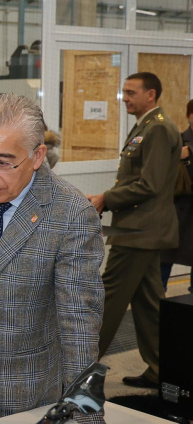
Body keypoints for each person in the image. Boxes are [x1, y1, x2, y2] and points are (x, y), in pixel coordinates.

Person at [0, 93, 152, 424]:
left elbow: (79, 325)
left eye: (4, 162)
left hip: (18, 390)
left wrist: (88, 417)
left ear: (38, 156)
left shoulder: (70, 214)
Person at [88, 72, 181, 389]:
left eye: (130, 92)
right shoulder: (147, 125)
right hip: (142, 229)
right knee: (149, 304)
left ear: (150, 95)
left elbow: (149, 184)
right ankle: (162, 368)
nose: (124, 97)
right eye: (124, 92)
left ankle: (78, 372)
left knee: (107, 298)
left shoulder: (156, 128)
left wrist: (106, 199)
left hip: (140, 232)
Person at [160, 98, 193, 293]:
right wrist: (176, 158)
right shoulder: (179, 141)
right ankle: (158, 302)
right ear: (188, 116)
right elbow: (159, 174)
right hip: (179, 212)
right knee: (165, 259)